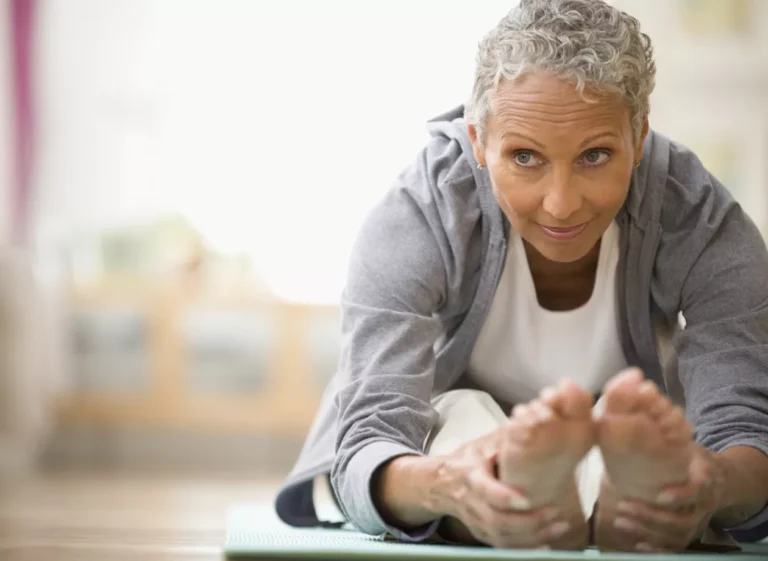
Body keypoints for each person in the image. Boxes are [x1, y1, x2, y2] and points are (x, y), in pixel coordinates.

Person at [275, 0, 768, 552]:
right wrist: (452, 484)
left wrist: (707, 486)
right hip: (451, 437)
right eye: (526, 157)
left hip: (630, 441)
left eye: (596, 155)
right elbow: (373, 434)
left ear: (640, 137)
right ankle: (526, 487)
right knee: (460, 418)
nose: (561, 205)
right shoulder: (418, 213)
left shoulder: (700, 219)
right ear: (480, 141)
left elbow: (743, 430)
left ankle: (622, 494)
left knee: (646, 426)